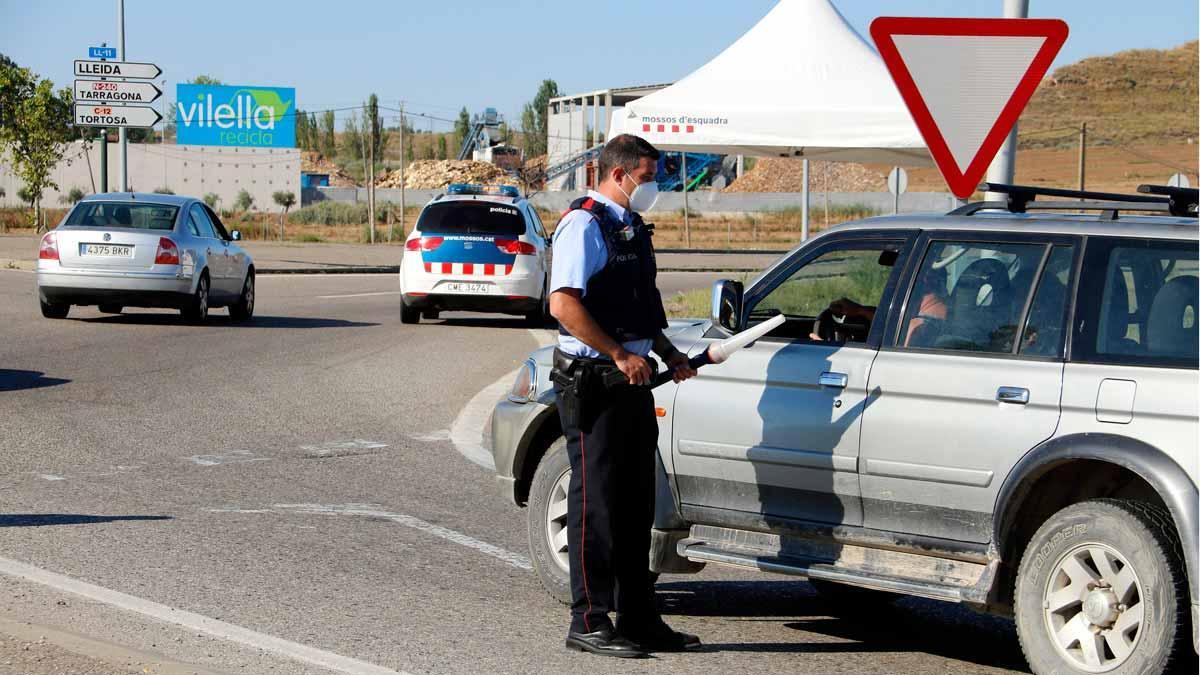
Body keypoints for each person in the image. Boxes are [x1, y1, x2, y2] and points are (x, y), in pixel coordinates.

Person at [548, 134, 701, 659]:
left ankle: (639, 616)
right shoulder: (583, 225)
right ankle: (588, 618)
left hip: (633, 379)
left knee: (638, 503)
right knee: (597, 504)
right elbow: (564, 305)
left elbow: (642, 304)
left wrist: (668, 351)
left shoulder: (631, 228)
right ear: (617, 175)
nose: (653, 186)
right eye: (647, 176)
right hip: (595, 381)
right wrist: (617, 353)